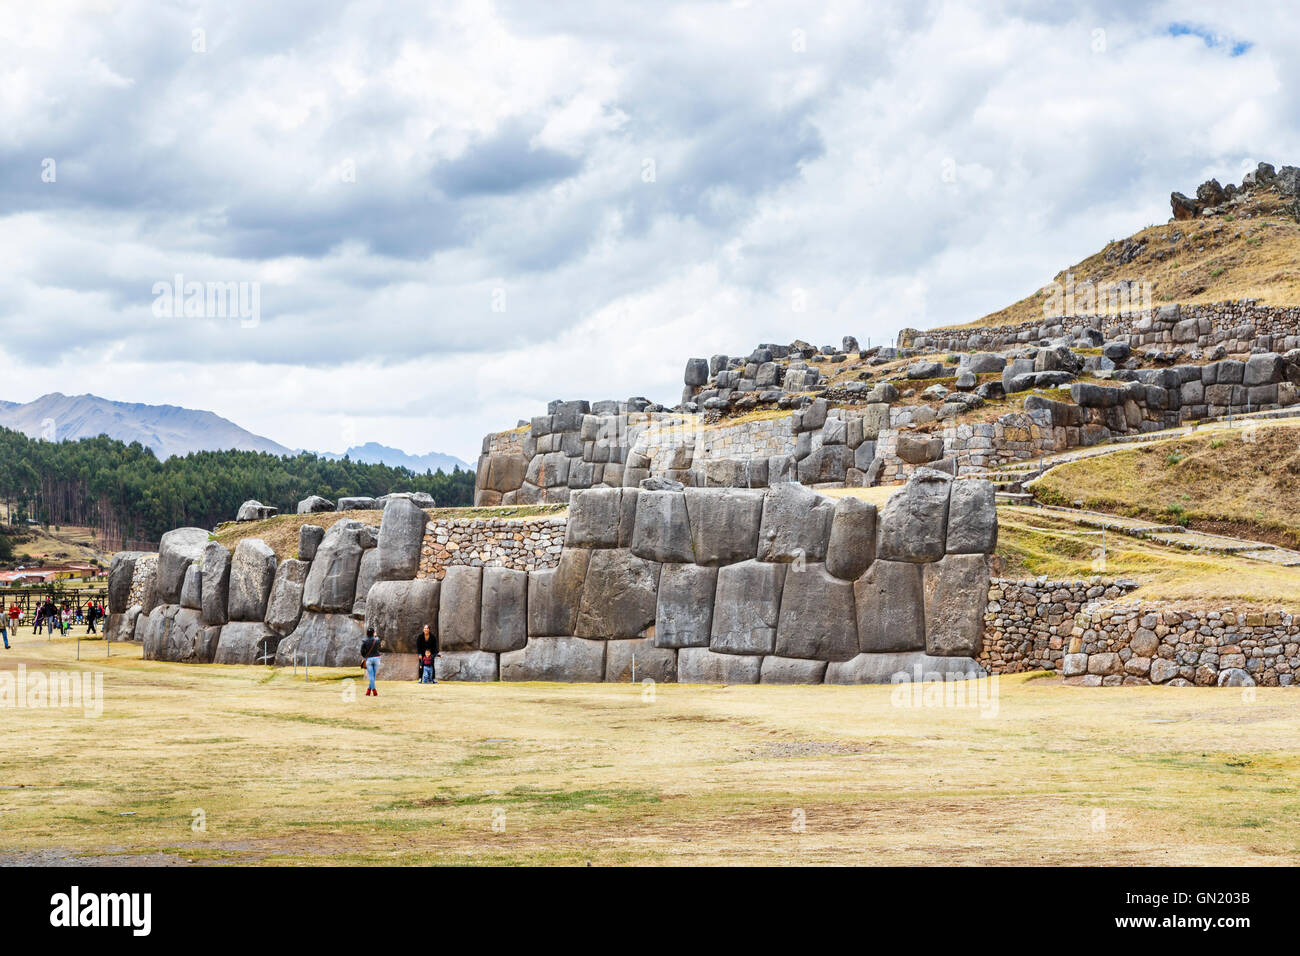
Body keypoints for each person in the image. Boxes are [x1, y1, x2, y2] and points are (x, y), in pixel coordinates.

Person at [361, 626, 382, 697]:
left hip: (369, 659)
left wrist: (365, 656)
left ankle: (372, 690)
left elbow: (362, 651)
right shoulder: (377, 640)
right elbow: (379, 645)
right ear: (373, 633)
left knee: (371, 676)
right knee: (373, 676)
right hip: (377, 658)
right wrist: (375, 636)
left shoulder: (364, 641)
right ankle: (369, 690)